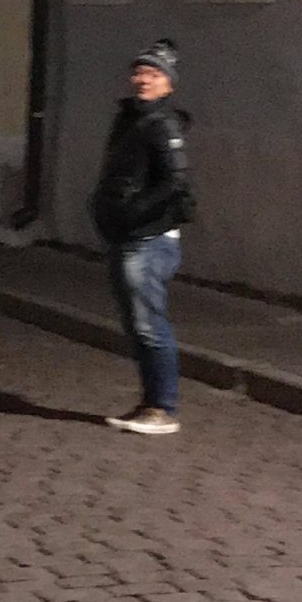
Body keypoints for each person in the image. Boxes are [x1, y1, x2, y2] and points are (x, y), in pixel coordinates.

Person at [89, 38, 196, 436]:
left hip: (149, 239)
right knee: (139, 325)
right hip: (129, 236)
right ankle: (151, 404)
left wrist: (134, 212)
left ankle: (161, 409)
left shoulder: (162, 123)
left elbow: (176, 180)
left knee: (149, 325)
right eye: (139, 72)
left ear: (168, 83)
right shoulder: (132, 118)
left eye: (153, 74)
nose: (143, 79)